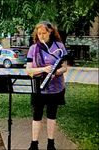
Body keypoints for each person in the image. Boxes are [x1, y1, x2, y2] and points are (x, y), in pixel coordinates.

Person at [26, 21, 68, 150]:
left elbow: (65, 68)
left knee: (52, 115)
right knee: (36, 116)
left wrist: (56, 72)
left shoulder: (59, 46)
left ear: (50, 32)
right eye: (38, 33)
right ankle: (34, 144)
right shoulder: (33, 48)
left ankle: (51, 144)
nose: (41, 36)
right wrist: (44, 69)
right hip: (39, 87)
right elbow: (29, 70)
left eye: (43, 33)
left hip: (56, 88)